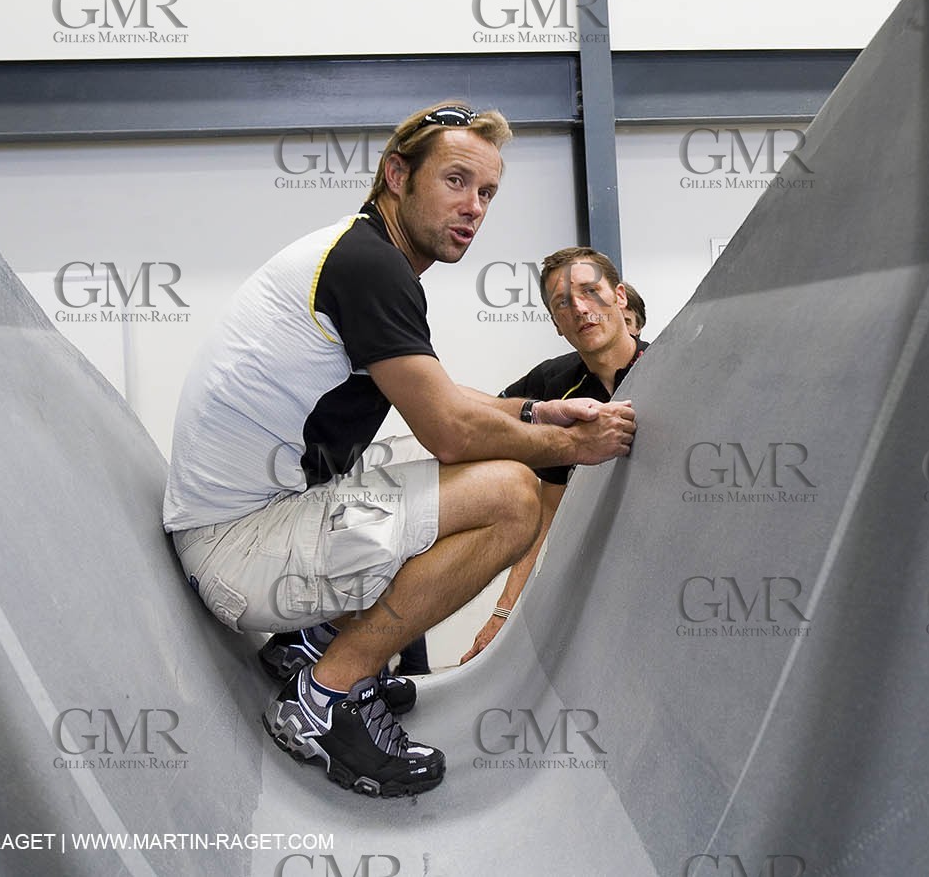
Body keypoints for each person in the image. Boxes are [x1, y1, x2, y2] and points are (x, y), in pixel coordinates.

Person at [162, 103, 636, 798]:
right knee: (510, 496)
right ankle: (323, 696)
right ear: (396, 174)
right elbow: (447, 428)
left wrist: (537, 409)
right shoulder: (370, 267)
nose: (472, 206)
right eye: (455, 180)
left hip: (249, 526)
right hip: (237, 549)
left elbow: (442, 395)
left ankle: (317, 640)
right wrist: (568, 443)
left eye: (487, 193)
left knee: (476, 473)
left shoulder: (361, 254)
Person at [461, 247, 647, 663]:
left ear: (619, 297)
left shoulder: (670, 368)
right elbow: (548, 513)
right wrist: (501, 615)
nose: (580, 308)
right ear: (556, 323)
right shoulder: (554, 384)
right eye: (562, 302)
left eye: (590, 291)